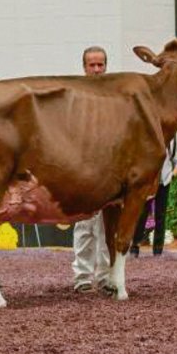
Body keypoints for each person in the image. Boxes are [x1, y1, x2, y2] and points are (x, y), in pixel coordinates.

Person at [72, 46, 110, 292]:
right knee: (84, 224)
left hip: (108, 169)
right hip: (83, 168)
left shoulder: (114, 96)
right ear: (84, 67)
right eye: (92, 65)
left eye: (100, 64)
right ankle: (83, 277)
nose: (97, 69)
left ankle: (106, 276)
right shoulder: (75, 96)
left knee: (108, 225)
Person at [132, 139, 177, 257]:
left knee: (161, 215)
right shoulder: (149, 137)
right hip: (148, 182)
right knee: (142, 213)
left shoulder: (171, 141)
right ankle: (135, 247)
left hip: (164, 182)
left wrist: (172, 175)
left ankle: (158, 250)